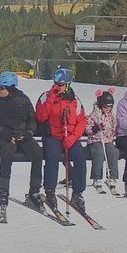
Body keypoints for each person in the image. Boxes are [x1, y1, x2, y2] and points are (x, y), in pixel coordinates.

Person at [0, 71, 44, 210]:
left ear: (10, 88)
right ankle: (3, 191)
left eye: (2, 88)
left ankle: (34, 191)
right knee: (7, 154)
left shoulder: (23, 100)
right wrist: (3, 133)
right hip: (6, 137)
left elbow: (32, 120)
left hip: (23, 136)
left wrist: (29, 132)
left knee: (37, 154)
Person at [36, 69, 89, 211]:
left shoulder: (74, 100)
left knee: (80, 157)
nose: (58, 87)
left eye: (61, 85)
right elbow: (41, 116)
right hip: (52, 135)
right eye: (56, 84)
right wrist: (51, 98)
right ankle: (50, 191)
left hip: (70, 136)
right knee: (52, 156)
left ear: (68, 85)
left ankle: (77, 193)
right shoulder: (45, 97)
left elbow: (82, 121)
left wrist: (73, 137)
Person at [86, 89, 120, 193]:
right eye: (105, 107)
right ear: (100, 105)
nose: (108, 109)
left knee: (113, 151)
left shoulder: (112, 116)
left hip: (107, 140)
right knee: (99, 152)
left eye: (110, 107)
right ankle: (97, 178)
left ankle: (112, 177)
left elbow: (115, 127)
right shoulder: (94, 115)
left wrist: (114, 132)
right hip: (95, 140)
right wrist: (94, 129)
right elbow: (87, 128)